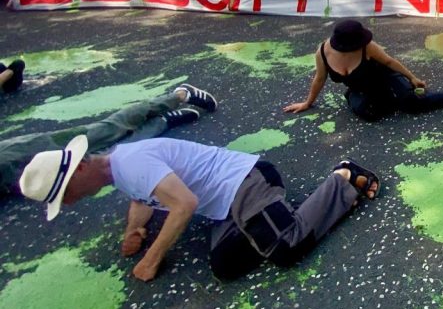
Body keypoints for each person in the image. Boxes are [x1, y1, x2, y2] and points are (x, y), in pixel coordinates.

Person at [20, 134, 378, 282]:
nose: (69, 202)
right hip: (225, 205)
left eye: (64, 193)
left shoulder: (131, 162)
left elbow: (184, 205)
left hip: (246, 180)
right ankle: (277, 215)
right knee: (225, 266)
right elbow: (140, 198)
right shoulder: (119, 169)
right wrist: (133, 230)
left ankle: (343, 178)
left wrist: (153, 256)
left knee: (285, 249)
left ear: (80, 167)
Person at [2, 83, 216, 193]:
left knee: (101, 132)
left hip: (7, 156)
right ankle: (163, 121)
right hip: (11, 177)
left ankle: (178, 96)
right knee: (111, 157)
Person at [284, 20, 443, 122]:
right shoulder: (322, 51)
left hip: (385, 78)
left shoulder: (368, 47)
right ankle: (391, 99)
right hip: (360, 89)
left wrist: (412, 78)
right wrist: (307, 103)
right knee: (367, 115)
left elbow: (390, 62)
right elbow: (319, 78)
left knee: (413, 106)